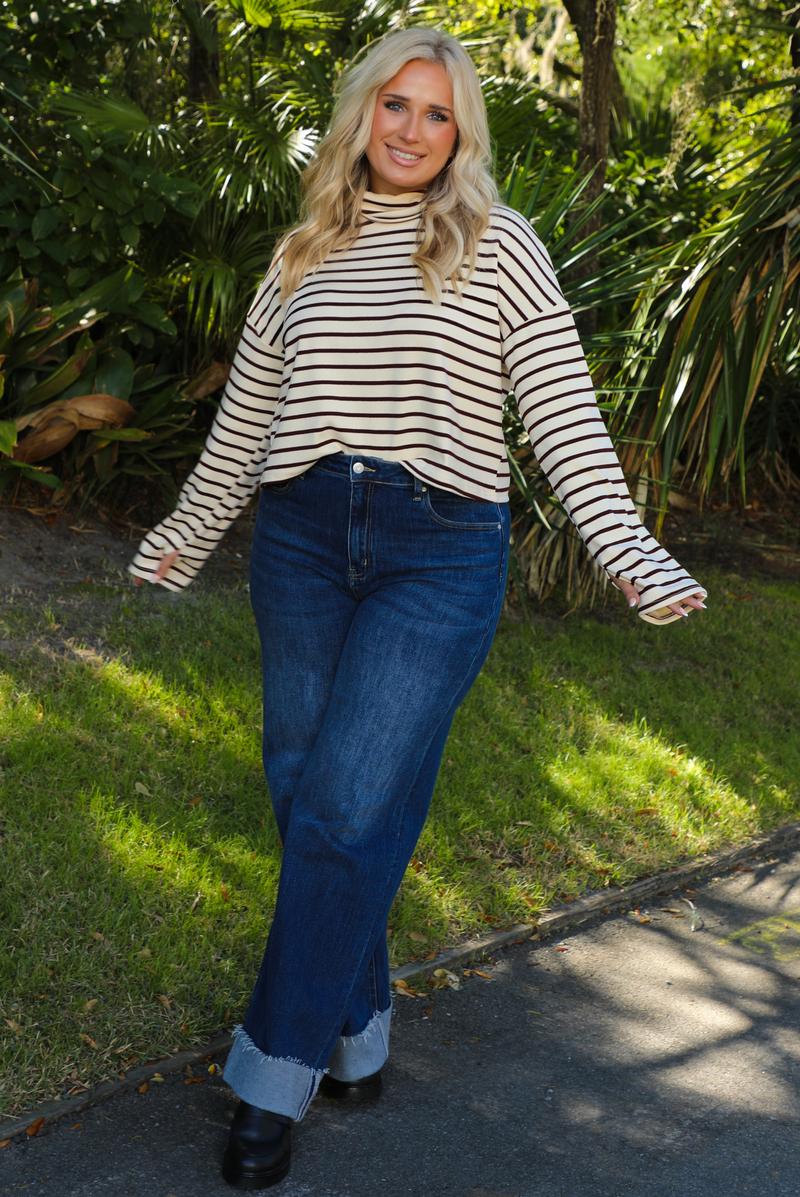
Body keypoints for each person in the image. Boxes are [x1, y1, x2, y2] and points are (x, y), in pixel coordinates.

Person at [130, 27, 707, 1189]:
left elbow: (560, 417)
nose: (408, 131)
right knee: (311, 796)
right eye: (393, 105)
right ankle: (359, 1030)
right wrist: (184, 536)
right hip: (298, 540)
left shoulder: (499, 247)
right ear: (361, 115)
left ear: (461, 135)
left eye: (435, 114)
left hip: (436, 552)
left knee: (343, 806)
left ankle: (271, 1075)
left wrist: (627, 551)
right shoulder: (299, 254)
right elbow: (245, 421)